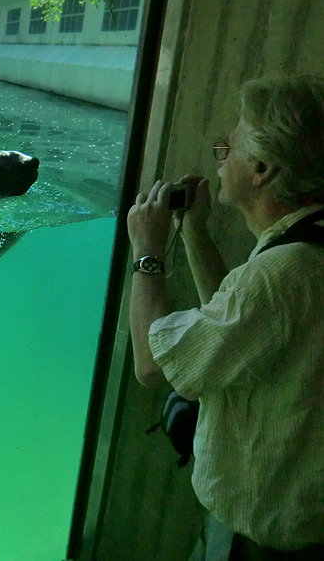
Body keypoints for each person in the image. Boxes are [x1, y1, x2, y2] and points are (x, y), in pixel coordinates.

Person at [126, 74, 324, 561]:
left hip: (263, 544)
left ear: (261, 167)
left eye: (228, 145)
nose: (220, 154)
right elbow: (238, 336)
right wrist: (193, 232)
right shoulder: (304, 249)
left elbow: (152, 364)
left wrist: (147, 251)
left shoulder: (279, 275)